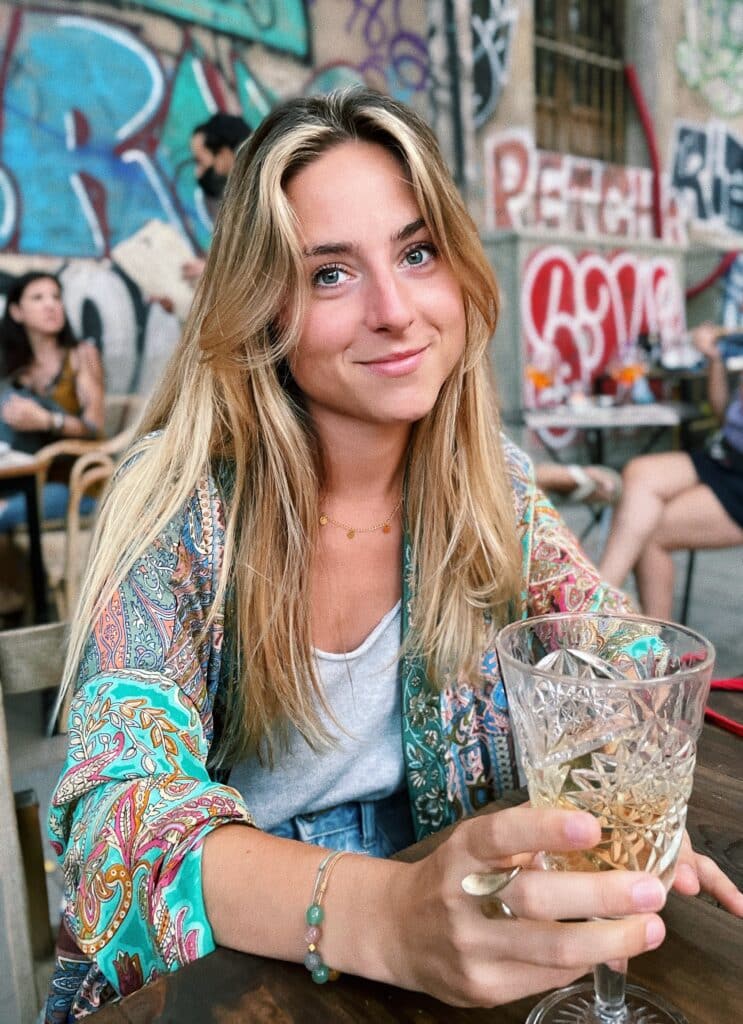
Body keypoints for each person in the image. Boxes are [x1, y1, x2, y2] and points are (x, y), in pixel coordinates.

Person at [45, 91, 742, 1021]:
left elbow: (625, 657)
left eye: (417, 254)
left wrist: (626, 801)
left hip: (469, 924)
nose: (395, 310)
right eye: (330, 274)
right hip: (236, 963)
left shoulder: (488, 482)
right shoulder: (181, 503)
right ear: (264, 311)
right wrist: (385, 914)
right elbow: (112, 824)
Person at [600, 321, 743, 617]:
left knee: (652, 532)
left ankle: (649, 643)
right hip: (724, 456)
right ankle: (600, 593)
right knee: (638, 472)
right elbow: (723, 412)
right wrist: (714, 357)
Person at [0, 271, 104, 525]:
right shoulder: (16, 369)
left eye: (56, 297)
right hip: (20, 477)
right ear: (16, 312)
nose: (51, 305)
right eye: (38, 298)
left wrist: (48, 420)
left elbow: (95, 427)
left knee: (5, 512)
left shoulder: (81, 356)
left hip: (72, 481)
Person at [182, 112, 252, 285]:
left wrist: (213, 272)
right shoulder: (240, 200)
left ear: (224, 155)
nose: (197, 173)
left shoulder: (265, 195)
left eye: (200, 161)